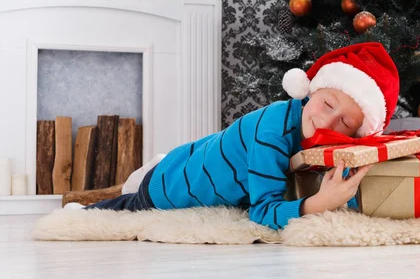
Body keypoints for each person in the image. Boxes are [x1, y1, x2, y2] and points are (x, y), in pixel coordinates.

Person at [84, 42, 400, 230]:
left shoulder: (309, 128)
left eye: (345, 121)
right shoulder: (272, 131)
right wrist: (321, 202)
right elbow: (262, 214)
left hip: (196, 158)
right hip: (167, 186)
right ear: (310, 90)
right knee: (120, 210)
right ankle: (83, 211)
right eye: (328, 103)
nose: (328, 123)